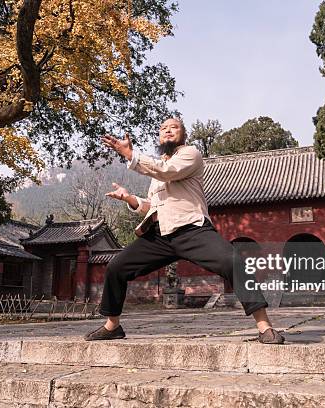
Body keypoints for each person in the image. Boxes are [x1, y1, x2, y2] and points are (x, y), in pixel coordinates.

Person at [84, 118, 284, 344]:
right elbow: (153, 207)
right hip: (160, 234)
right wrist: (129, 198)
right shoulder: (157, 168)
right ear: (159, 137)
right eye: (162, 128)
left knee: (232, 261)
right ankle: (113, 326)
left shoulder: (191, 154)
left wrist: (131, 155)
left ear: (183, 134)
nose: (167, 130)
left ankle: (264, 326)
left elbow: (167, 171)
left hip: (192, 229)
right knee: (116, 267)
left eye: (173, 127)